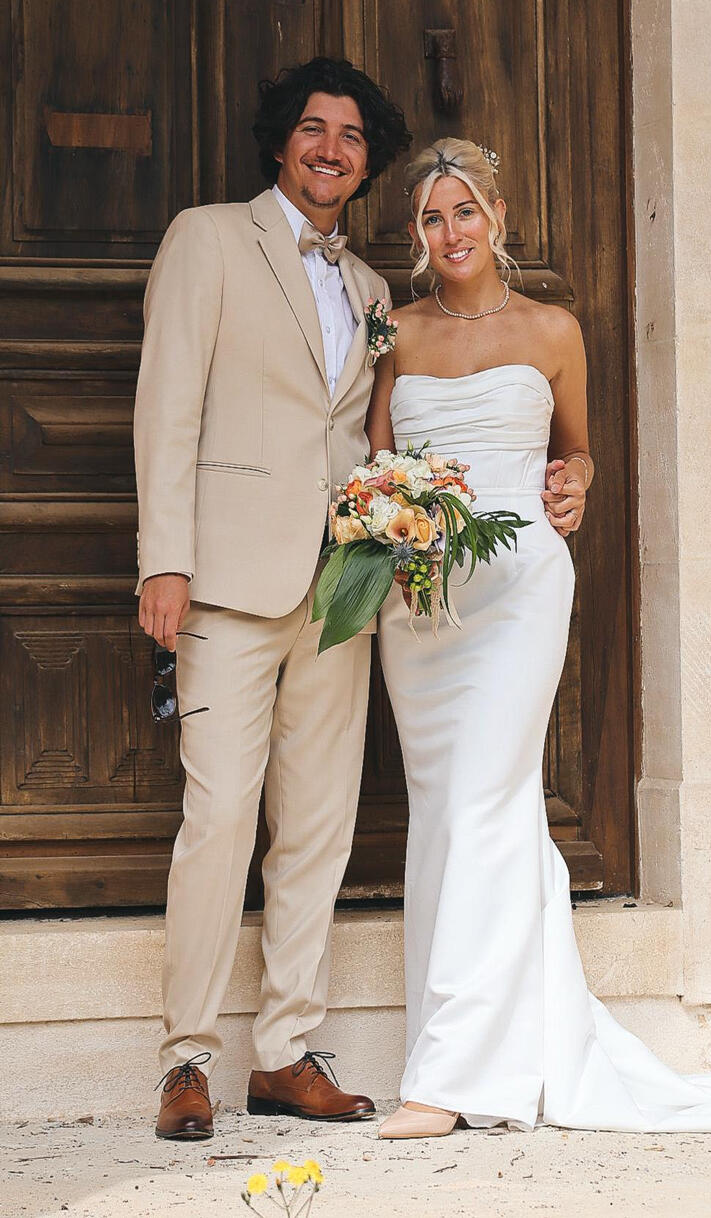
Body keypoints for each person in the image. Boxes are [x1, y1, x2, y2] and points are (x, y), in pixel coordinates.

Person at [366, 137, 711, 1139]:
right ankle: (482, 1047)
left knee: (484, 797)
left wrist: (577, 482)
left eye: (464, 211)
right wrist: (383, 518)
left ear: (498, 217)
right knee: (455, 811)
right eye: (431, 217)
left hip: (518, 591)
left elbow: (578, 450)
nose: (449, 230)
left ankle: (452, 1080)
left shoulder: (554, 329)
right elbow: (378, 460)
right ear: (417, 235)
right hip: (421, 603)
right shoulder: (398, 330)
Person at [134, 57, 411, 1141]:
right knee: (218, 819)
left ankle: (286, 1051)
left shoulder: (377, 290)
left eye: (349, 135)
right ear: (280, 140)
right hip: (228, 583)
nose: (330, 148)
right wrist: (165, 558)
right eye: (312, 128)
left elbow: (368, 439)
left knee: (318, 829)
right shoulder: (209, 239)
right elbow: (169, 404)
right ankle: (186, 1060)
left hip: (340, 589)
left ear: (366, 159)